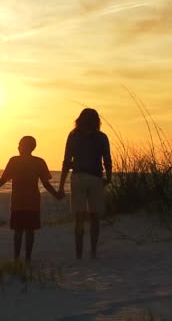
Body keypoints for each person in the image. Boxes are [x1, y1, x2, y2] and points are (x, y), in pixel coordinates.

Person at [0, 136, 60, 263]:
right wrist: (56, 194)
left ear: (26, 147)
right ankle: (27, 259)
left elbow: (3, 180)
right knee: (29, 231)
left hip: (18, 202)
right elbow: (46, 184)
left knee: (18, 231)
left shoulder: (14, 161)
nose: (18, 147)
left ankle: (17, 259)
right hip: (32, 202)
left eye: (20, 145)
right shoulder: (39, 162)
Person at [57, 108, 112, 259]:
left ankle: (79, 254)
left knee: (79, 218)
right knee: (95, 218)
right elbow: (107, 159)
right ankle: (93, 252)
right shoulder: (101, 137)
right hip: (95, 177)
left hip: (78, 177)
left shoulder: (73, 136)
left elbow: (67, 162)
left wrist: (61, 185)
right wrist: (109, 177)